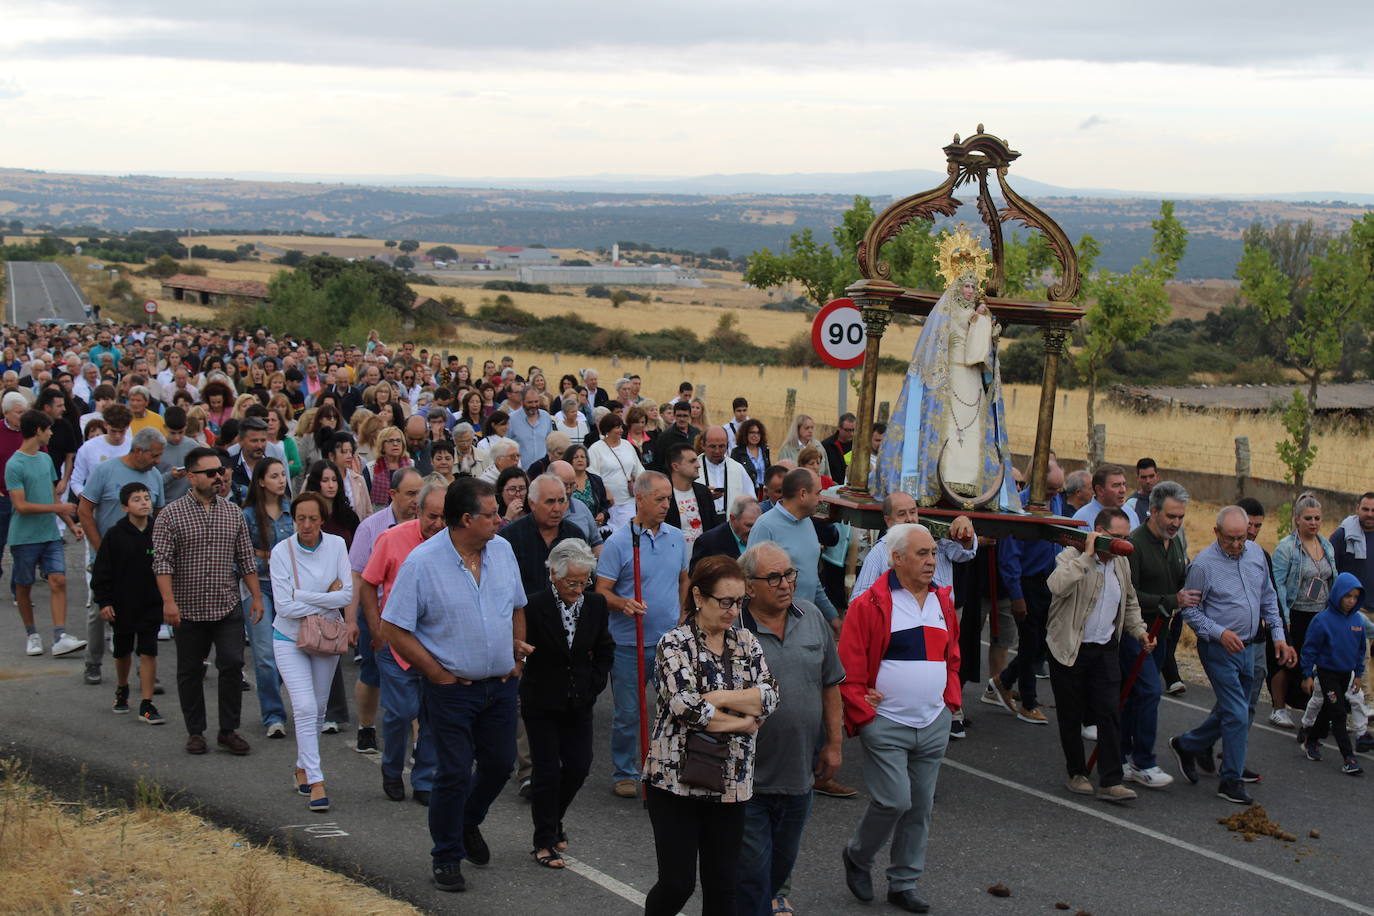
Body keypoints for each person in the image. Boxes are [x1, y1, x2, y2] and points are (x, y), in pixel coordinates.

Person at [381, 477, 530, 895]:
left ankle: (466, 822)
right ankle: (446, 856)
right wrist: (437, 673)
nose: (500, 520)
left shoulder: (502, 550)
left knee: (500, 764)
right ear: (466, 519)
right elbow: (394, 628)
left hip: (500, 686)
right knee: (452, 772)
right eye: (491, 514)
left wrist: (516, 658)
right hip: (451, 691)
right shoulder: (422, 563)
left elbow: (517, 605)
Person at [643, 555, 777, 916]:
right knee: (677, 884)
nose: (734, 610)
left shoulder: (746, 642)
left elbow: (769, 696)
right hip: (675, 782)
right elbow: (687, 709)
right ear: (699, 597)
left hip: (731, 782)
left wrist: (719, 699)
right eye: (725, 601)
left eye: (739, 602)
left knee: (723, 888)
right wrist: (744, 722)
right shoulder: (673, 644)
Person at [838, 524, 959, 914]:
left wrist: (949, 701)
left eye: (932, 553)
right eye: (922, 553)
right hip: (886, 723)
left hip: (933, 722)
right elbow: (849, 668)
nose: (931, 561)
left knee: (920, 807)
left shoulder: (942, 601)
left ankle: (903, 883)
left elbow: (951, 658)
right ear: (897, 558)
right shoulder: (869, 604)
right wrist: (864, 714)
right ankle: (858, 855)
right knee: (894, 800)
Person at [874, 230, 1018, 510]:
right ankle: (939, 480)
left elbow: (984, 356)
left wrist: (986, 330)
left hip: (973, 381)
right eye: (965, 285)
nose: (970, 290)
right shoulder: (945, 315)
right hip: (949, 379)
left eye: (973, 286)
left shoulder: (982, 315)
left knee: (973, 432)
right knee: (947, 429)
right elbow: (934, 350)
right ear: (955, 286)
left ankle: (972, 484)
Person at [735, 541, 843, 916]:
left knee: (777, 870)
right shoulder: (732, 629)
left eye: (790, 574)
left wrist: (834, 744)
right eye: (774, 577)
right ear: (749, 586)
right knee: (751, 877)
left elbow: (831, 683)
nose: (785, 584)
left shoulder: (811, 616)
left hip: (799, 776)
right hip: (747, 780)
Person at [1169, 506, 1297, 805]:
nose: (1238, 545)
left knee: (1239, 709)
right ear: (1216, 533)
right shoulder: (1202, 566)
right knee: (1237, 713)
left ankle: (1187, 745)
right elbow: (1190, 611)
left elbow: (1268, 598)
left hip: (1252, 647)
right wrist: (1219, 633)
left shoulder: (1256, 555)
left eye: (1242, 538)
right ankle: (1231, 780)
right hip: (1219, 649)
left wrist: (1278, 637)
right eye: (1230, 539)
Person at [153, 446, 265, 757]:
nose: (219, 477)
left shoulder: (232, 513)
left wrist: (256, 597)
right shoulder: (171, 515)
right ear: (191, 477)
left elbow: (245, 558)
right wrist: (168, 602)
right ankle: (196, 732)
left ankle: (228, 730)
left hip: (227, 605)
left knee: (232, 663)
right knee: (190, 671)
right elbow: (162, 563)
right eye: (210, 473)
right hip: (187, 608)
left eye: (221, 471)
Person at [595, 471, 690, 798]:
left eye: (669, 498)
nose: (666, 505)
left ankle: (665, 767)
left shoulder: (677, 536)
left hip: (669, 643)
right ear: (640, 498)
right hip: (628, 645)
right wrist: (622, 603)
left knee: (672, 710)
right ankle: (625, 770)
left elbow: (683, 579)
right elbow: (600, 593)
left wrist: (682, 613)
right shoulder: (618, 543)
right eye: (660, 499)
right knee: (628, 714)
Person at [1045, 508, 1152, 801]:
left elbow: (1129, 602)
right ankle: (1077, 772)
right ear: (1099, 533)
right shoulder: (1071, 556)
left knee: (1109, 713)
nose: (1122, 545)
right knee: (1071, 714)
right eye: (1115, 538)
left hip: (1104, 648)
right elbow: (1056, 585)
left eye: (1126, 538)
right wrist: (1087, 557)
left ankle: (1110, 780)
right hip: (1069, 648)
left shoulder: (1121, 564)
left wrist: (1140, 631)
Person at [520, 538, 614, 869]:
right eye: (571, 581)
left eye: (584, 581)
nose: (579, 587)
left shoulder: (596, 606)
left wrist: (594, 685)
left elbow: (604, 650)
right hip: (541, 701)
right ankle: (543, 840)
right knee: (546, 772)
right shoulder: (533, 607)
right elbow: (520, 648)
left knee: (578, 766)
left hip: (580, 701)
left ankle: (553, 819)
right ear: (553, 576)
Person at [361, 480, 449, 805]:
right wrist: (376, 629)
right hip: (396, 643)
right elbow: (368, 584)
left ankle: (425, 779)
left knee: (432, 715)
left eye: (444, 517)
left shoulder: (454, 545)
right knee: (401, 712)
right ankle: (392, 769)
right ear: (418, 510)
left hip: (437, 646)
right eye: (432, 516)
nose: (438, 524)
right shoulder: (392, 538)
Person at [270, 490, 356, 812]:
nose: (306, 525)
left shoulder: (336, 545)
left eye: (313, 518)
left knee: (318, 711)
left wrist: (304, 595)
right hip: (289, 638)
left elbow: (346, 595)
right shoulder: (282, 551)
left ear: (322, 519)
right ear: (293, 519)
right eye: (300, 518)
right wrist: (324, 595)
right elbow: (284, 606)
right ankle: (317, 781)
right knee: (304, 707)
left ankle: (302, 766)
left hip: (327, 638)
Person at [1117, 481, 1196, 789]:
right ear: (1153, 511)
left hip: (1163, 633)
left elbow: (1180, 580)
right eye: (1170, 517)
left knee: (1136, 696)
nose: (1176, 523)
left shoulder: (1176, 543)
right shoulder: (1134, 544)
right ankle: (1143, 760)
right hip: (1135, 633)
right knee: (1148, 691)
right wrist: (1170, 601)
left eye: (1180, 517)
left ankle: (1122, 754)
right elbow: (1129, 594)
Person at [78, 426, 166, 684]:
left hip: (144, 559)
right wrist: (100, 550)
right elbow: (84, 511)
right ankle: (93, 662)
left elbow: (158, 517)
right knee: (100, 610)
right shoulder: (105, 471)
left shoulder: (155, 475)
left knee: (145, 611)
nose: (158, 461)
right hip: (110, 557)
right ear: (138, 451)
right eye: (154, 455)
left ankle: (144, 667)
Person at [347, 467, 423, 753]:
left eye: (420, 493)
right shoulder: (371, 526)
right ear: (392, 494)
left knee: (418, 676)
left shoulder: (428, 526)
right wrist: (352, 619)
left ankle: (418, 741)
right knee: (372, 673)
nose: (416, 500)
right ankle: (366, 726)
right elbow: (357, 575)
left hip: (415, 618)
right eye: (410, 493)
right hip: (377, 612)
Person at [8, 409, 86, 658]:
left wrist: (70, 523)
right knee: (23, 586)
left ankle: (60, 636)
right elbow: (21, 506)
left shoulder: (45, 459)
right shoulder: (14, 464)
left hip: (50, 535)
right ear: (38, 431)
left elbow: (51, 496)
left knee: (58, 580)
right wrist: (59, 508)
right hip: (24, 537)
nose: (52, 433)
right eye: (49, 429)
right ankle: (32, 634)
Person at [92, 481, 164, 723]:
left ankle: (147, 702)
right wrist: (104, 602)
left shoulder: (159, 530)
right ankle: (122, 688)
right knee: (123, 651)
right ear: (124, 507)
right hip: (122, 604)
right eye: (137, 499)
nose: (144, 502)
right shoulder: (115, 535)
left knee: (148, 651)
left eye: (146, 497)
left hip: (152, 603)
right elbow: (102, 571)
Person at [1270, 493, 1335, 729]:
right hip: (1294, 613)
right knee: (1287, 660)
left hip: (1320, 614)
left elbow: (1330, 579)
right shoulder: (1286, 548)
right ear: (1297, 519)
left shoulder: (1325, 545)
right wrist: (1282, 618)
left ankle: (1318, 711)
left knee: (1317, 663)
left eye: (1317, 518)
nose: (1313, 523)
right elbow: (1277, 585)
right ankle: (1278, 708)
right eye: (1308, 518)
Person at [240, 457, 294, 739]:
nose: (281, 480)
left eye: (283, 475)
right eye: (274, 476)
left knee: (290, 653)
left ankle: (281, 697)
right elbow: (241, 557)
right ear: (261, 481)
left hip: (287, 588)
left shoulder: (291, 512)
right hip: (257, 587)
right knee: (264, 655)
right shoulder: (248, 515)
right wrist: (266, 557)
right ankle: (273, 715)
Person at [750, 468, 840, 634]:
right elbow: (752, 582)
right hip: (776, 629)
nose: (821, 499)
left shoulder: (807, 522)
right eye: (818, 493)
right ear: (803, 494)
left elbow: (811, 577)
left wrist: (833, 617)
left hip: (805, 623)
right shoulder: (765, 526)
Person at [1297, 572, 1366, 774]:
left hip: (1346, 675)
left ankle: (1312, 739)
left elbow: (1361, 650)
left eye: (1355, 597)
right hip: (1327, 674)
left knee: (1329, 709)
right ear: (1337, 595)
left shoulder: (1358, 621)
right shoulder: (1322, 620)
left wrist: (1359, 674)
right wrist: (1307, 674)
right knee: (1338, 713)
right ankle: (1349, 758)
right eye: (1347, 596)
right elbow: (1309, 650)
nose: (1351, 601)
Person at [852, 492, 976, 598]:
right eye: (902, 514)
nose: (909, 519)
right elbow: (859, 599)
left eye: (912, 512)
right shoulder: (879, 552)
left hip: (940, 620)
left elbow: (965, 552)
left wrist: (965, 527)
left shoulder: (936, 541)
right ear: (888, 520)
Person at [587, 413, 642, 531]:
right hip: (607, 505)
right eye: (617, 427)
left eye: (621, 427)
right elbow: (592, 476)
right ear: (607, 429)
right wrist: (605, 492)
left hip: (628, 501)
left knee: (628, 534)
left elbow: (639, 470)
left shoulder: (627, 445)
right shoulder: (596, 449)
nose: (621, 430)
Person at [664, 442, 719, 545]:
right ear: (676, 467)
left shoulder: (703, 492)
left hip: (702, 558)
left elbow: (713, 529)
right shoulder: (663, 496)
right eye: (692, 461)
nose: (698, 465)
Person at [691, 494, 760, 572]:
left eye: (757, 525)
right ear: (733, 518)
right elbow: (696, 578)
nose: (753, 530)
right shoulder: (708, 542)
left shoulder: (763, 535)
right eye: (749, 525)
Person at [696, 426, 753, 518]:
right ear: (703, 445)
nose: (717, 451)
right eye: (712, 446)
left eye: (722, 446)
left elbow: (750, 500)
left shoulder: (737, 468)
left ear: (728, 445)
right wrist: (705, 496)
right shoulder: (693, 467)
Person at [548, 460, 604, 551]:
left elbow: (596, 542)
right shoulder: (540, 509)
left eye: (572, 485)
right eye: (564, 485)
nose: (569, 491)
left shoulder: (581, 507)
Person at [778, 414, 830, 480]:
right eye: (807, 428)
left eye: (812, 428)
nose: (810, 431)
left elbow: (827, 472)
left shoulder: (818, 446)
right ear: (797, 429)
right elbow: (781, 474)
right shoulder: (786, 449)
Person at [652, 400, 700, 472]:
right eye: (679, 416)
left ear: (690, 415)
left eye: (685, 416)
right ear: (674, 416)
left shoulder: (697, 434)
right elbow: (658, 463)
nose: (682, 419)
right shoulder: (664, 437)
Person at [730, 418, 771, 496]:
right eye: (752, 432)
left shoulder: (765, 450)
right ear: (745, 434)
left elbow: (768, 470)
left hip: (764, 493)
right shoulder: (737, 452)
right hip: (746, 493)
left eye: (758, 433)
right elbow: (733, 476)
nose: (755, 436)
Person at [821, 412, 856, 485]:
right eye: (847, 430)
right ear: (839, 428)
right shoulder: (827, 445)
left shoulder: (859, 445)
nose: (851, 433)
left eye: (853, 430)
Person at [1126, 458, 1159, 524]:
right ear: (1138, 478)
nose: (1148, 481)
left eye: (1151, 476)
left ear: (1157, 476)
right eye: (1144, 477)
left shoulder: (1167, 500)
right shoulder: (1131, 504)